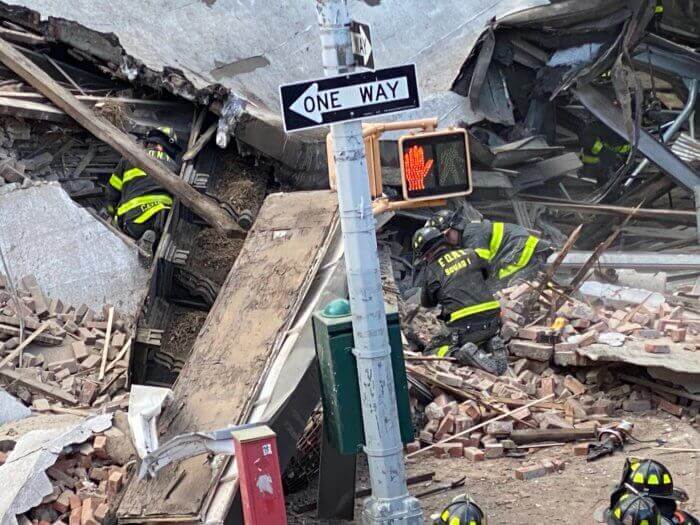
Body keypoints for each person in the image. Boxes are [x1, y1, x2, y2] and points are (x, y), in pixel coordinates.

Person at [413, 226, 507, 375]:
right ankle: (491, 343)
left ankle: (461, 354)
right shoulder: (471, 253)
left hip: (464, 327)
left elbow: (427, 303)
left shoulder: (431, 270)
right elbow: (487, 273)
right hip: (494, 321)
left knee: (431, 350)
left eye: (425, 257)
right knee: (481, 335)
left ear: (429, 254)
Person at [427, 209, 551, 288]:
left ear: (456, 226)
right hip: (516, 250)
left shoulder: (471, 234)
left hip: (520, 250)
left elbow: (480, 267)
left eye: (447, 235)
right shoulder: (467, 238)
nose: (446, 241)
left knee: (502, 287)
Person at [106, 126, 182, 255]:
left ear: (149, 142)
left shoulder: (129, 158)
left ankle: (136, 239)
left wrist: (111, 212)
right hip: (161, 221)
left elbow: (111, 192)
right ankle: (151, 236)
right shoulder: (176, 168)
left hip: (132, 220)